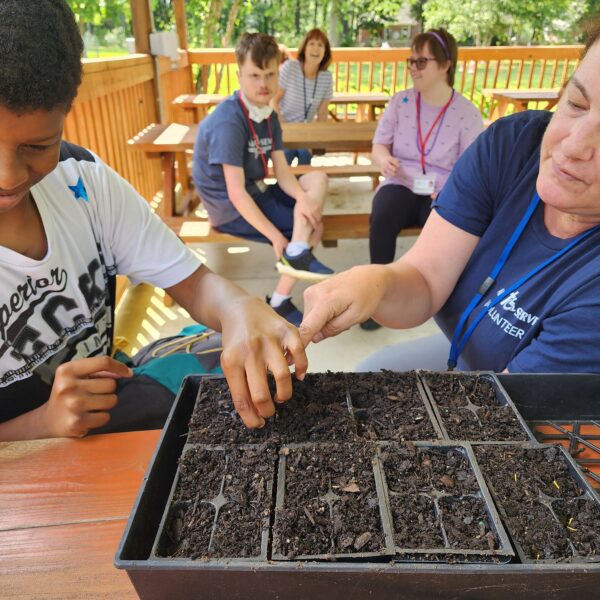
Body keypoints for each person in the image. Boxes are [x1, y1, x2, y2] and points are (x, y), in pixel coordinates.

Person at [0, 1, 309, 441]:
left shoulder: (83, 183)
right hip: (27, 460)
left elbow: (195, 283)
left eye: (37, 146)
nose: (8, 177)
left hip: (109, 399)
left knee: (251, 380)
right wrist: (40, 425)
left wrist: (239, 307)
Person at [299, 18, 600, 375]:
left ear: (445, 67)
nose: (574, 145)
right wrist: (375, 283)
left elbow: (513, 419)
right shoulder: (513, 146)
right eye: (576, 104)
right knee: (369, 370)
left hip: (521, 404)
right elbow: (426, 279)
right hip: (465, 348)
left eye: (423, 61)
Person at [192, 32, 334, 327]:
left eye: (270, 75)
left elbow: (282, 171)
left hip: (256, 190)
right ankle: (285, 287)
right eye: (254, 75)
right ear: (239, 74)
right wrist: (274, 236)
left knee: (316, 180)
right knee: (313, 228)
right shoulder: (230, 121)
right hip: (229, 206)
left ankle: (294, 257)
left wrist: (303, 198)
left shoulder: (268, 114)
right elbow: (236, 193)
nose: (263, 84)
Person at [361, 28, 484, 330]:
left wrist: (453, 190)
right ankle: (377, 296)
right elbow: (379, 145)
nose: (413, 68)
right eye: (411, 61)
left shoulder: (466, 112)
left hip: (444, 191)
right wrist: (383, 159)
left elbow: (474, 168)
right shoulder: (400, 102)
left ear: (445, 65)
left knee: (453, 226)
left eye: (421, 62)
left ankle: (440, 299)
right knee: (383, 211)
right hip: (402, 181)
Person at [271, 29, 334, 166]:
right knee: (287, 155)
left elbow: (322, 113)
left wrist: (315, 139)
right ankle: (284, 186)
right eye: (311, 43)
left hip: (306, 133)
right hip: (283, 129)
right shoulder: (290, 68)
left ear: (325, 52)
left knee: (304, 154)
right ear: (304, 48)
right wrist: (284, 127)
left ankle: (299, 185)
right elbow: (273, 101)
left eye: (320, 45)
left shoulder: (326, 77)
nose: (315, 49)